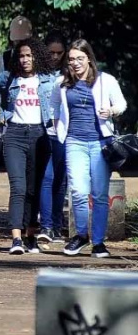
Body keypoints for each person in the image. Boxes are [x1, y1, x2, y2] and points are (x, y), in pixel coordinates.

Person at [54, 40, 127, 258]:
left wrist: (111, 110)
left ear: (89, 59)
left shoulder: (106, 80)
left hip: (100, 144)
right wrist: (58, 128)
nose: (75, 63)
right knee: (77, 190)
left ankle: (98, 242)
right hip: (74, 142)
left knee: (99, 194)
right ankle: (81, 235)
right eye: (72, 59)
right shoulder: (61, 83)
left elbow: (122, 104)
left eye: (80, 58)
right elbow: (54, 107)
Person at [0, 38, 54, 255]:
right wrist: (0, 114)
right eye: (21, 56)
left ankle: (30, 235)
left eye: (29, 55)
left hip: (40, 135)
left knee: (33, 189)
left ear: (37, 56)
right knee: (18, 187)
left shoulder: (48, 80)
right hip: (14, 135)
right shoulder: (8, 77)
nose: (25, 60)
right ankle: (16, 238)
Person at [37, 32, 67, 244]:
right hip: (43, 132)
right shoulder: (38, 75)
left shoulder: (70, 74)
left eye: (59, 53)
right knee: (46, 178)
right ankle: (46, 225)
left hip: (64, 133)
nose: (55, 56)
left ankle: (57, 225)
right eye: (51, 52)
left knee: (60, 180)